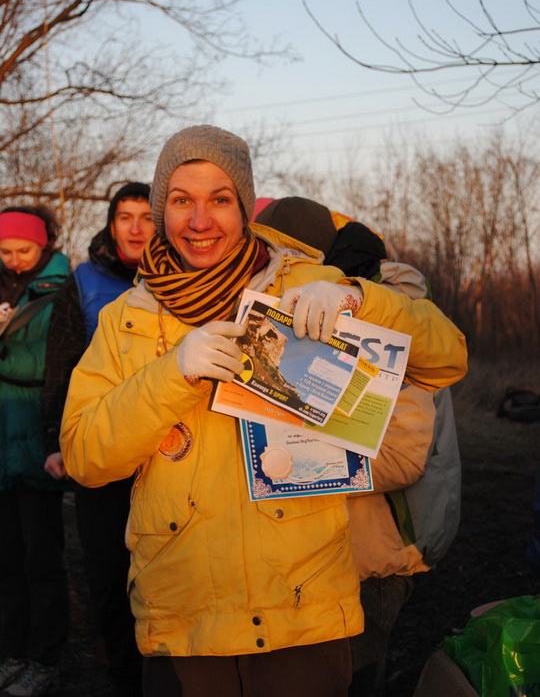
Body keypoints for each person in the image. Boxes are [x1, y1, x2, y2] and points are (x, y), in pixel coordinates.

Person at [59, 125, 467, 697]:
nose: (200, 221)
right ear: (161, 209)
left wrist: (359, 300)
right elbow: (84, 456)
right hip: (185, 619)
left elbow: (447, 358)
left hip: (304, 611)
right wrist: (172, 374)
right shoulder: (126, 318)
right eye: (181, 201)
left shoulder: (305, 281)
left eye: (220, 200)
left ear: (245, 208)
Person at [255, 195, 461, 697]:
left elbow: (402, 457)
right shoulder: (283, 312)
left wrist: (278, 467)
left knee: (352, 679)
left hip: (376, 548)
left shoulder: (386, 313)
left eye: (274, 259)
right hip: (314, 550)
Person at [42, 182, 155, 697]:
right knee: (108, 572)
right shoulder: (84, 280)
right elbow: (61, 362)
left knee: (161, 574)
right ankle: (121, 676)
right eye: (124, 217)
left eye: (145, 217)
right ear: (111, 224)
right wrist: (55, 438)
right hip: (102, 448)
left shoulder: (182, 279)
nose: (135, 227)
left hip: (162, 452)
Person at [0, 205, 70, 697]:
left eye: (24, 250)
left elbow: (58, 362)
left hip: (36, 429)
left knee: (42, 557)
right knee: (5, 558)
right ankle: (12, 651)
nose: (14, 259)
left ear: (43, 247)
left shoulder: (61, 290)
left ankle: (47, 658)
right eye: (5, 251)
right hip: (3, 436)